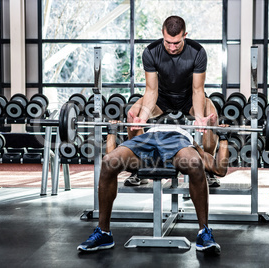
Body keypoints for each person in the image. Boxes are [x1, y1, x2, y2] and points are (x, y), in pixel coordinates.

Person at [77, 123, 230, 255]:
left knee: (195, 163)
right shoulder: (150, 120)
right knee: (109, 162)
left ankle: (204, 233)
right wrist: (112, 131)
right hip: (148, 139)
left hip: (177, 140)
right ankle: (103, 233)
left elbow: (220, 170)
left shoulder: (187, 134)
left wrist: (223, 137)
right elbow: (112, 154)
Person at [125, 15, 220, 187]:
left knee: (211, 114)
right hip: (162, 99)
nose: (172, 47)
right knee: (134, 113)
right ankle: (139, 168)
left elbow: (198, 90)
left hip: (188, 98)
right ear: (162, 34)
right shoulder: (151, 52)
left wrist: (199, 117)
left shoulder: (197, 52)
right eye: (168, 42)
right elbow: (151, 90)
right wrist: (144, 116)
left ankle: (208, 167)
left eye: (176, 42)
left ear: (185, 35)